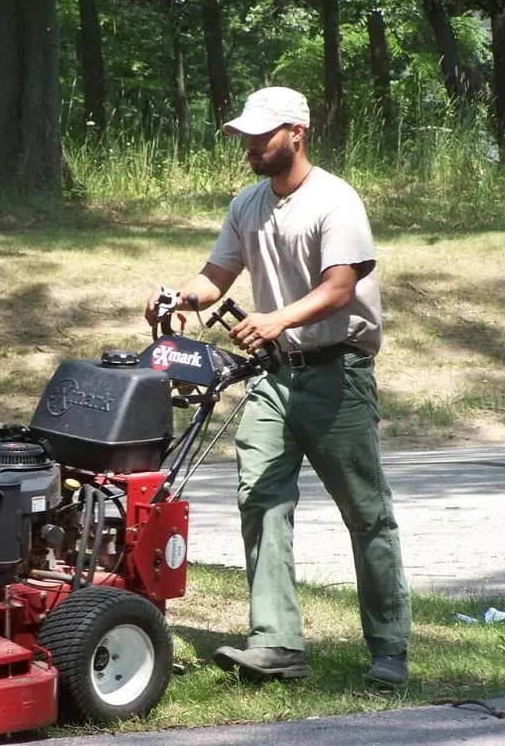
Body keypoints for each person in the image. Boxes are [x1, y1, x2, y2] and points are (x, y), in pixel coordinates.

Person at [144, 86, 411, 686]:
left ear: (297, 132)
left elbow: (340, 288)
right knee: (261, 497)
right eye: (245, 136)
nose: (250, 146)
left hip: (338, 373)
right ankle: (277, 644)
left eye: (261, 135)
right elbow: (215, 278)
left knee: (366, 512)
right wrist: (177, 299)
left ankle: (390, 646)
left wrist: (276, 319)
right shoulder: (247, 204)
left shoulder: (335, 201)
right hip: (274, 376)